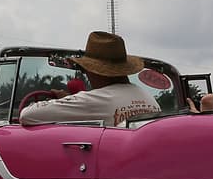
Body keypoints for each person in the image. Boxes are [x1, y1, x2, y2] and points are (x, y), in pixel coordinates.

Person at [19, 31, 158, 126]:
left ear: (94, 71)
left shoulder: (97, 100)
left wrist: (65, 100)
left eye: (85, 69)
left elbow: (27, 115)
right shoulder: (148, 98)